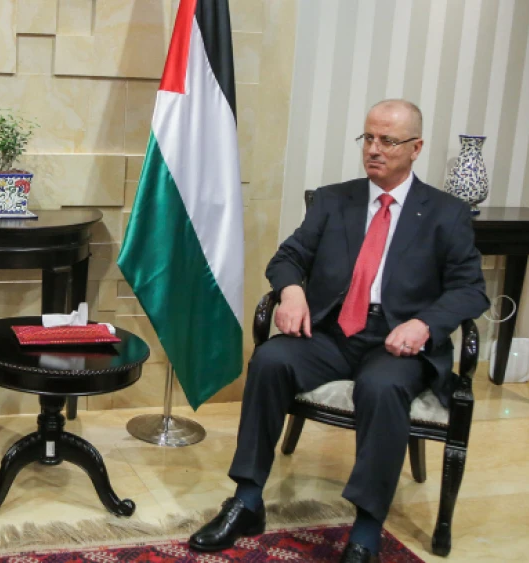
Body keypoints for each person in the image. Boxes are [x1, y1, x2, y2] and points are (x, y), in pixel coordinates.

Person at [187, 100, 488, 563]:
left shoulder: (446, 213)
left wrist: (424, 324)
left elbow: (471, 291)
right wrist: (291, 292)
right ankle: (246, 501)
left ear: (415, 148)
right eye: (367, 138)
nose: (374, 149)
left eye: (388, 141)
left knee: (381, 387)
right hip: (332, 333)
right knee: (270, 360)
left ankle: (366, 532)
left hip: (397, 345)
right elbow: (288, 257)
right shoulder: (333, 200)